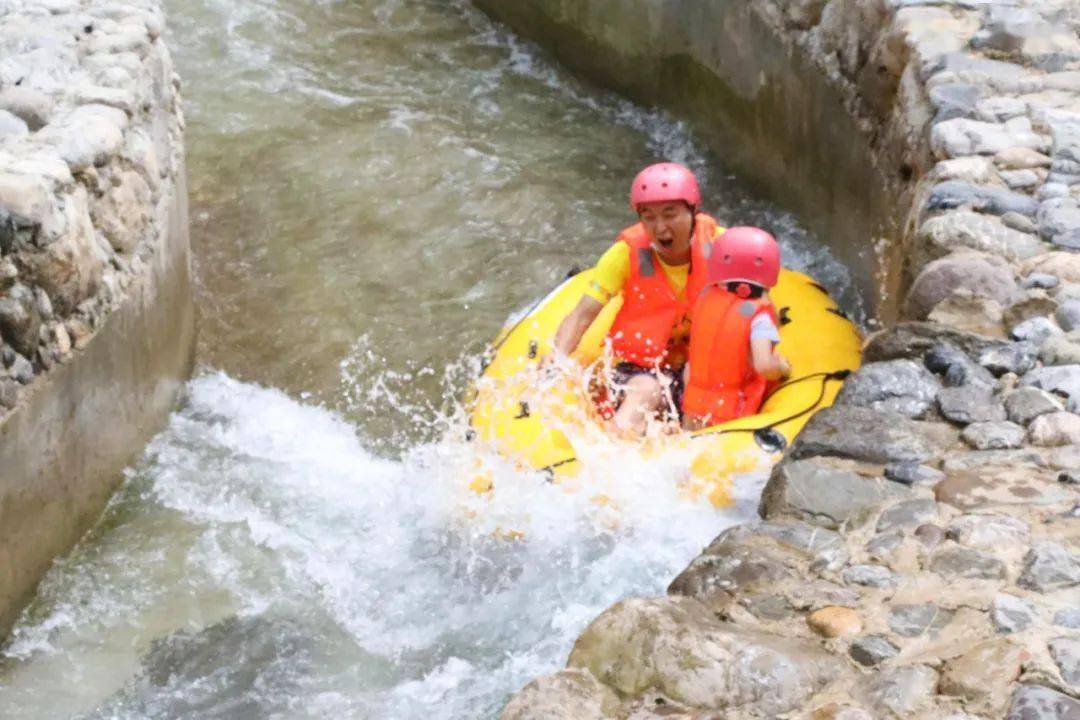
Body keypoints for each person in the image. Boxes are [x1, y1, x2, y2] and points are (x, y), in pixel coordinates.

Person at [542, 162, 724, 438]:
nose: (660, 227)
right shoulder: (623, 255)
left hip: (700, 363)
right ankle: (627, 447)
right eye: (648, 217)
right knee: (642, 398)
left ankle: (680, 437)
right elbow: (582, 315)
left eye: (670, 214)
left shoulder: (722, 247)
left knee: (696, 373)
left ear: (693, 211)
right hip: (643, 369)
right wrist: (557, 359)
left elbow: (756, 306)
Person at [681, 226, 791, 431]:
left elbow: (690, 368)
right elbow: (764, 365)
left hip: (692, 408)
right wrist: (782, 368)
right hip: (733, 417)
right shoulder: (758, 317)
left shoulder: (707, 300)